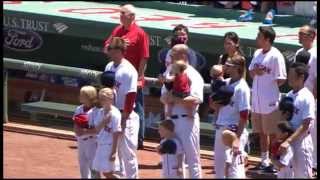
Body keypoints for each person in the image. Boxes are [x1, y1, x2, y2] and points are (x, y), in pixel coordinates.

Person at [104, 4, 149, 150]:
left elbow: (144, 57)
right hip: (117, 74)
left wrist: (140, 77)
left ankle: (139, 139)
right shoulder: (118, 30)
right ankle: (113, 131)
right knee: (115, 102)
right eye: (120, 13)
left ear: (132, 16)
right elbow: (106, 48)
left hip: (132, 75)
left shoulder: (140, 33)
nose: (121, 15)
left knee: (137, 107)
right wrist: (118, 43)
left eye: (124, 13)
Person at [160, 44, 204, 178]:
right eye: (171, 54)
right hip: (170, 121)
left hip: (187, 121)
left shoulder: (192, 74)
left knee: (192, 160)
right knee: (171, 159)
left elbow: (196, 99)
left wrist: (174, 99)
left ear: (184, 56)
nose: (171, 57)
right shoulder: (169, 71)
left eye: (174, 54)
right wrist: (167, 99)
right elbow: (163, 97)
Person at [248, 26, 287, 173]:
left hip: (270, 101)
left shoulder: (276, 56)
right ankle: (264, 161)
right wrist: (256, 72)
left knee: (272, 133)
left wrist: (268, 81)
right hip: (257, 101)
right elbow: (251, 72)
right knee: (261, 133)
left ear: (267, 39)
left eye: (259, 36)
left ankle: (274, 161)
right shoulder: (257, 53)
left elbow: (282, 79)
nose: (257, 38)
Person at [209, 55, 250, 178]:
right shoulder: (225, 83)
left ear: (237, 68)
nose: (225, 67)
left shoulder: (242, 88)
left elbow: (244, 115)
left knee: (235, 169)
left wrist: (237, 138)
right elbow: (213, 105)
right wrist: (215, 103)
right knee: (219, 168)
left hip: (234, 130)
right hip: (220, 128)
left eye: (229, 65)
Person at [104, 37, 139, 178]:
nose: (109, 51)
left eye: (111, 48)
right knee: (115, 152)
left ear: (119, 51)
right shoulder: (109, 66)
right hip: (113, 113)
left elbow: (131, 96)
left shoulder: (129, 70)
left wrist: (124, 119)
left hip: (127, 115)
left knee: (128, 153)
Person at [279, 62, 315, 178]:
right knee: (285, 174)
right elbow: (283, 118)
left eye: (291, 74)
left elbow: (306, 124)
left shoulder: (307, 96)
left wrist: (288, 141)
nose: (289, 77)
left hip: (301, 142)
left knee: (302, 175)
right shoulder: (289, 95)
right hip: (287, 140)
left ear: (301, 77)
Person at [79, 88, 122, 179]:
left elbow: (116, 134)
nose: (101, 101)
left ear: (111, 99)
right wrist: (103, 122)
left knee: (107, 173)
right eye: (100, 98)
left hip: (109, 146)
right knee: (101, 171)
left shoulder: (115, 114)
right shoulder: (101, 112)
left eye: (104, 99)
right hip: (100, 145)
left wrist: (114, 151)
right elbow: (97, 130)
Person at [295, 25, 317, 174]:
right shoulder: (299, 52)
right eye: (299, 33)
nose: (299, 36)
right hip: (300, 97)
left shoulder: (315, 54)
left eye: (302, 34)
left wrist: (314, 98)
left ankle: (314, 164)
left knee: (313, 132)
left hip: (312, 98)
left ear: (312, 36)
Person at [73, 85, 100, 179]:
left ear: (89, 97)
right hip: (81, 141)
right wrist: (77, 131)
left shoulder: (97, 111)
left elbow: (97, 130)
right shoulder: (78, 109)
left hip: (92, 142)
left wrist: (84, 131)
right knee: (82, 165)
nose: (79, 96)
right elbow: (75, 123)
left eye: (82, 95)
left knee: (93, 166)